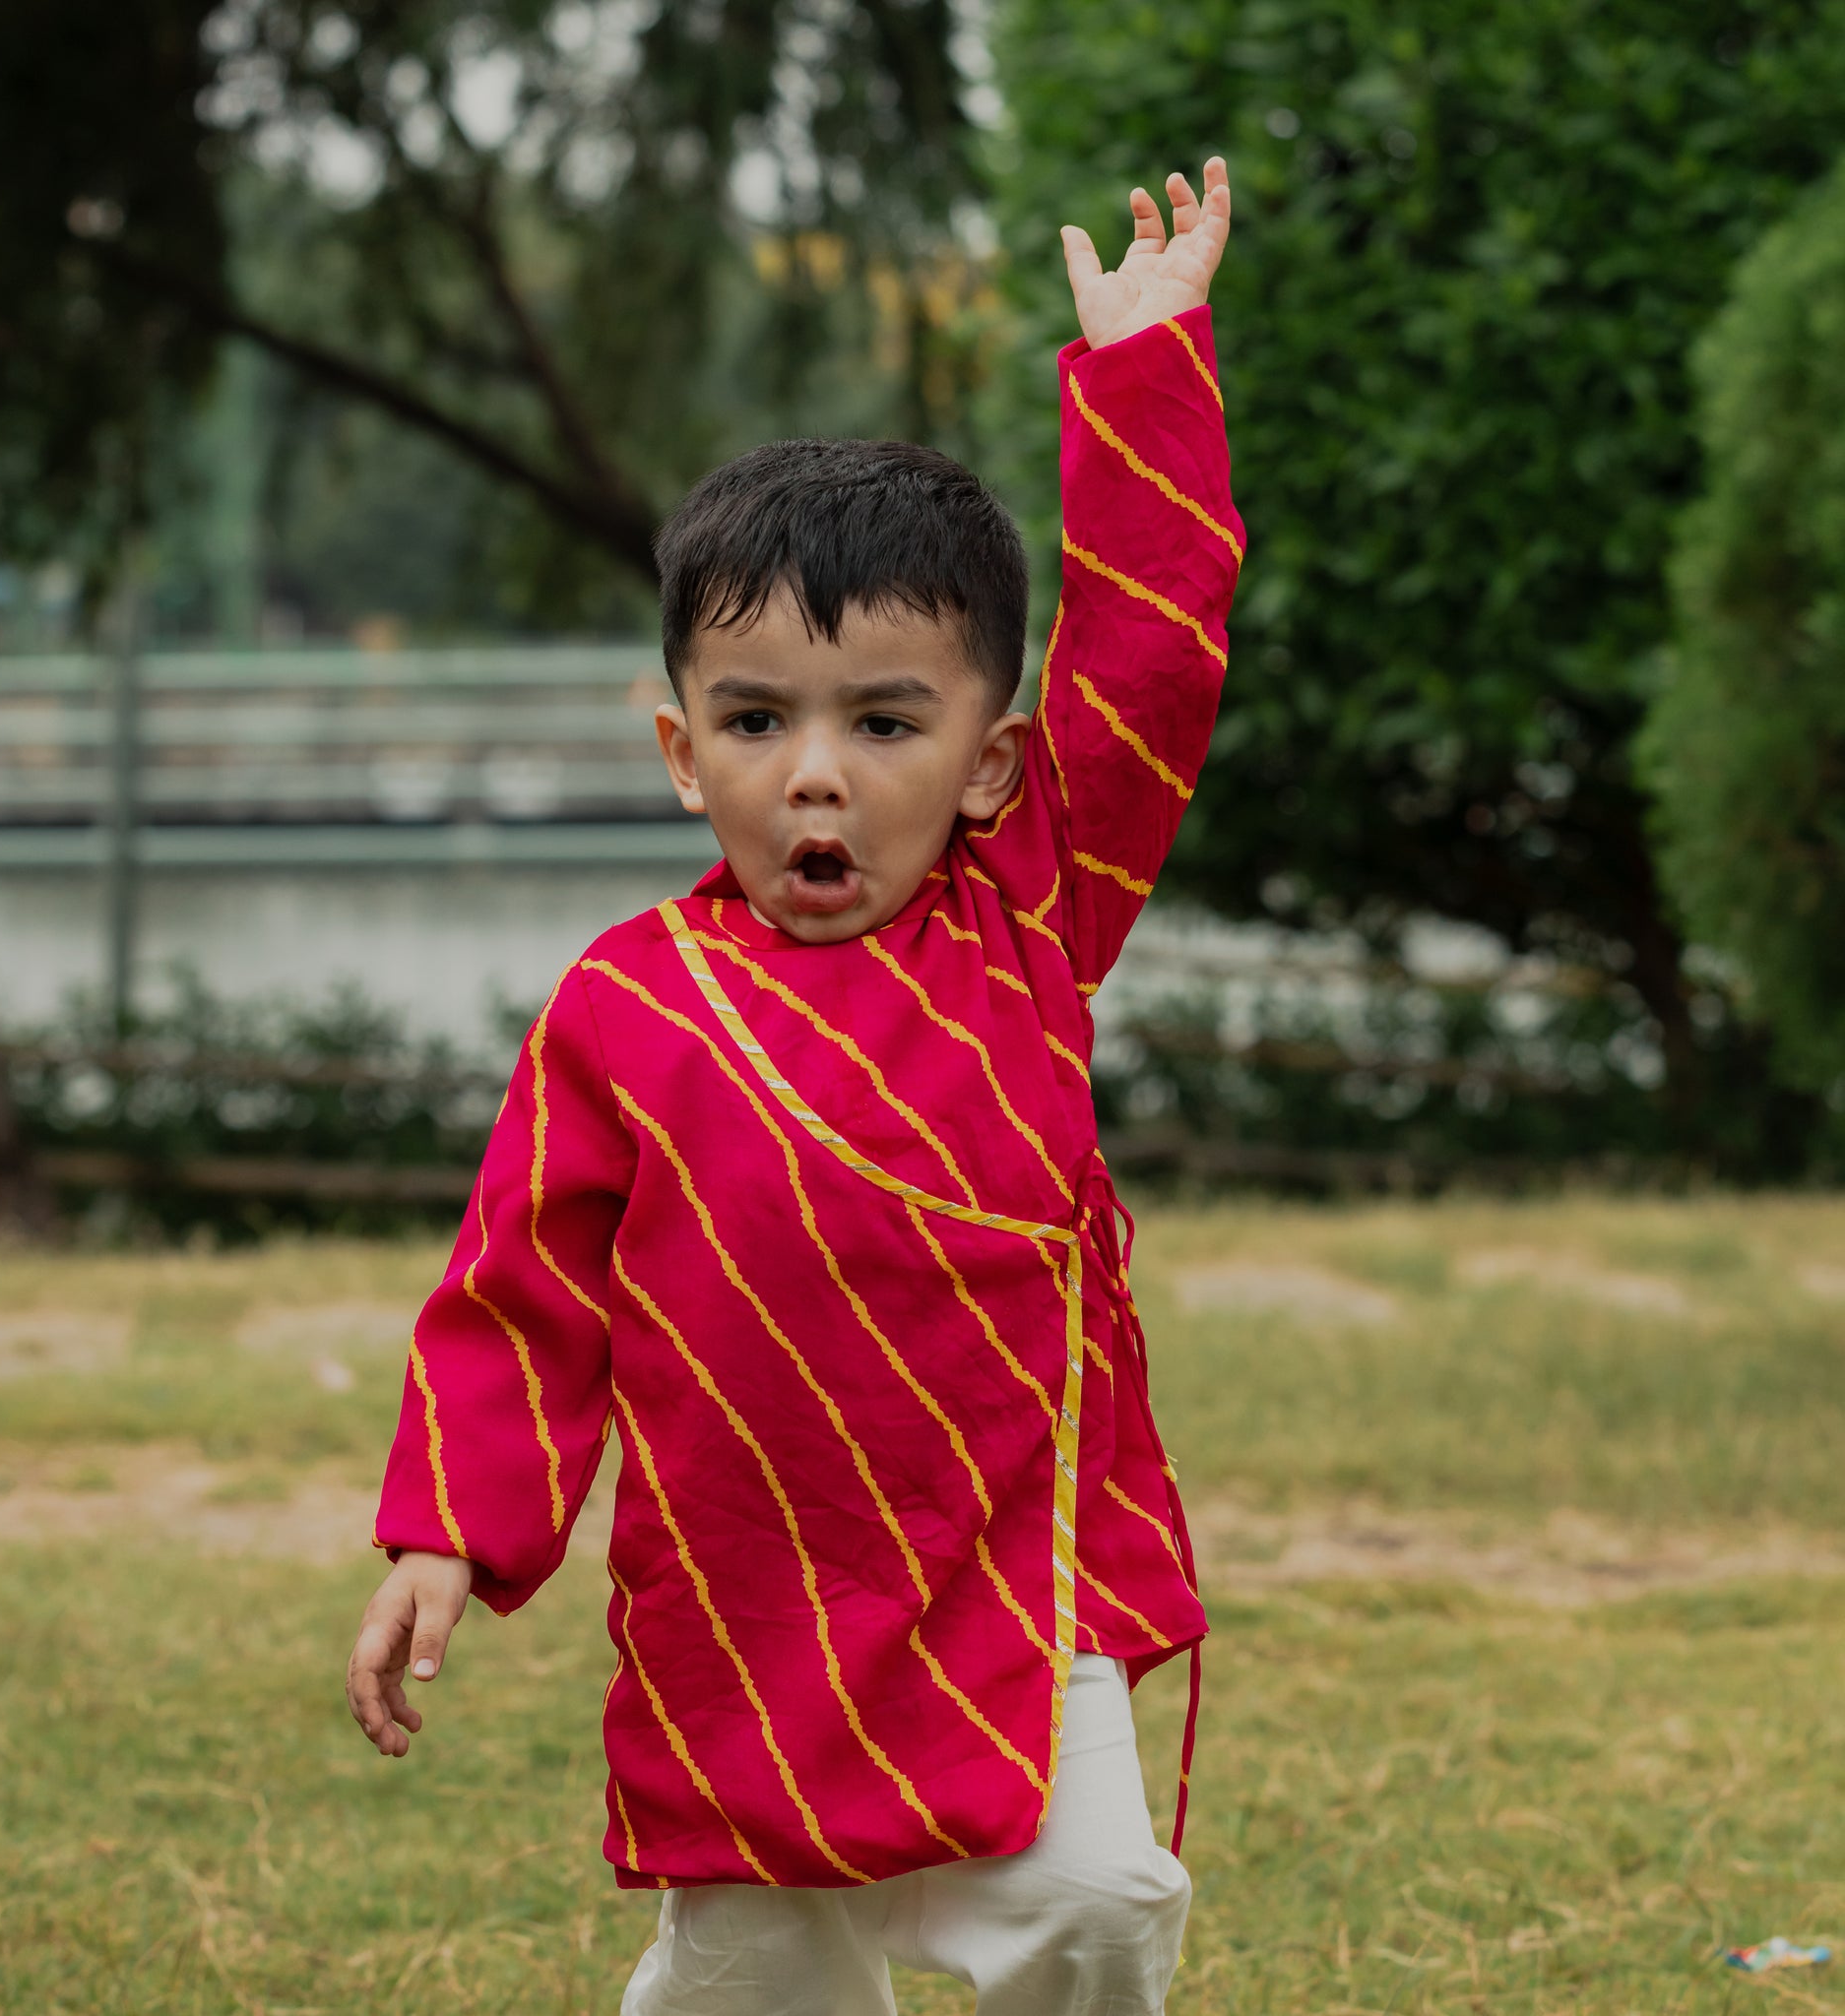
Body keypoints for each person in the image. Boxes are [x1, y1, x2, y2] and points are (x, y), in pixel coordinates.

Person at [346, 157, 1241, 2016]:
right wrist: (452, 1526)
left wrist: (1146, 372)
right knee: (762, 1969)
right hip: (743, 1593)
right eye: (758, 722)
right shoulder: (623, 1009)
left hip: (1013, 1567)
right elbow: (521, 1296)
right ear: (684, 752)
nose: (813, 778)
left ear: (992, 765)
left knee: (1099, 1894)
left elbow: (1148, 663)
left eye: (884, 723)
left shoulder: (1033, 917)